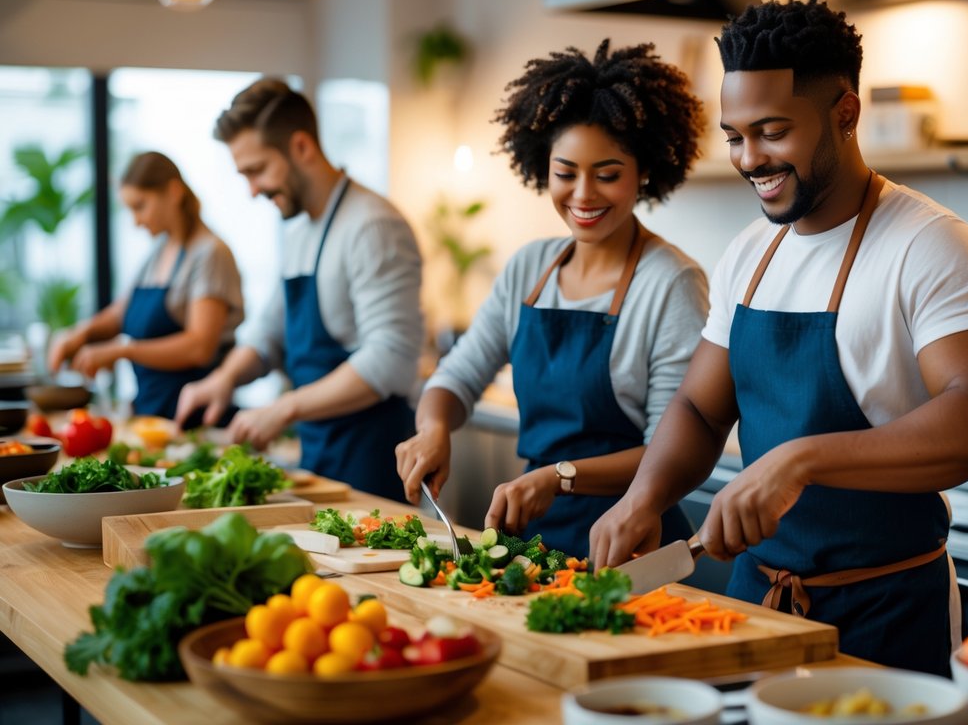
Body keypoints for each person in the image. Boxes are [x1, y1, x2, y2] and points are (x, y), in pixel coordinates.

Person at [590, 0, 968, 675]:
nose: (748, 158)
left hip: (884, 614)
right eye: (735, 136)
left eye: (770, 131)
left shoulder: (930, 244)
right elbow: (700, 408)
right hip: (754, 605)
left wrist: (800, 460)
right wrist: (644, 498)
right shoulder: (748, 253)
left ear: (844, 114)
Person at [396, 40, 709, 559]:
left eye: (607, 175)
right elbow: (457, 375)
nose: (583, 194)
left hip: (629, 541)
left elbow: (669, 451)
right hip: (532, 540)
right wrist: (433, 428)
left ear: (644, 172)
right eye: (565, 174)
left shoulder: (670, 282)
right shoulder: (530, 267)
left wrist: (559, 477)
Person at [176, 79, 424, 500]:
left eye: (257, 171)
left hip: (371, 461)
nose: (252, 190)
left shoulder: (372, 226)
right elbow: (270, 332)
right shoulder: (299, 230)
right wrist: (224, 378)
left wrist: (283, 407)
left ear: (302, 147)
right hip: (319, 456)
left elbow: (391, 359)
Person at [48, 151, 243, 428]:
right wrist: (81, 333)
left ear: (174, 192)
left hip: (196, 424)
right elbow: (120, 313)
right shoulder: (158, 252)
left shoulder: (210, 254)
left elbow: (199, 347)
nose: (136, 221)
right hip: (152, 418)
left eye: (140, 206)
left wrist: (123, 351)